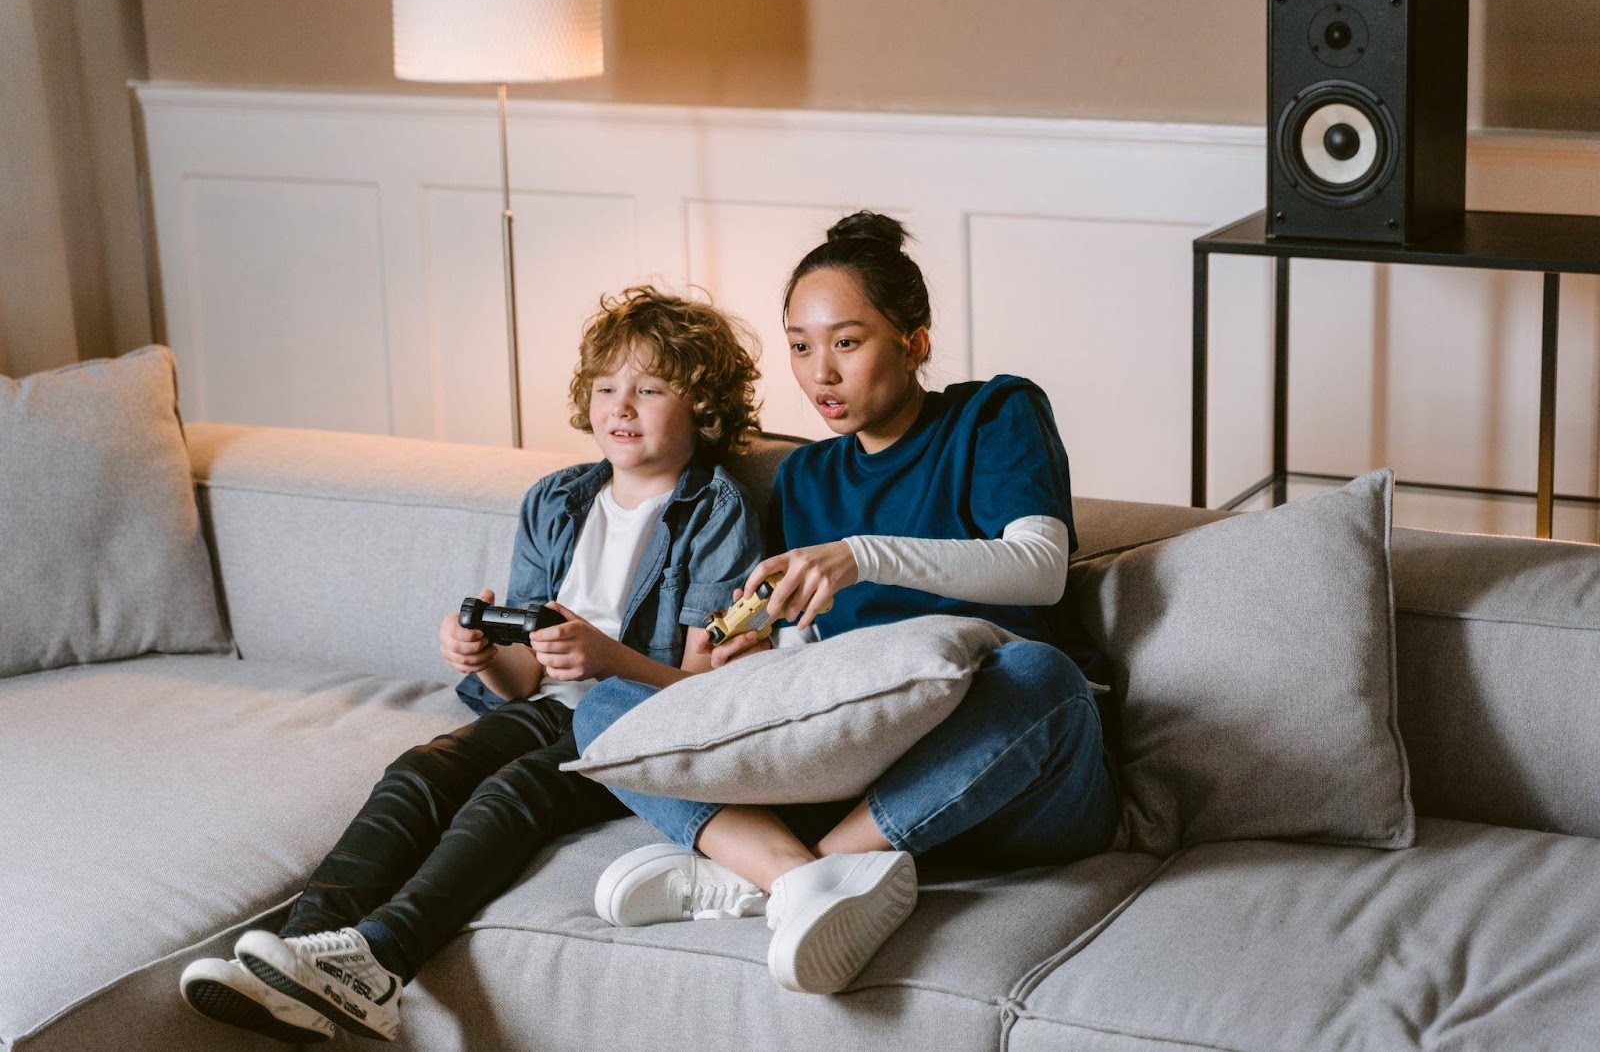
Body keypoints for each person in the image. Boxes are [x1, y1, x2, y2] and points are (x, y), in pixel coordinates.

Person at [178, 286, 766, 1043]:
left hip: (633, 723)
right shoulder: (556, 501)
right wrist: (484, 654)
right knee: (420, 771)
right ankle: (298, 954)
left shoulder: (715, 510)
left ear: (704, 409)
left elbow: (702, 690)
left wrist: (605, 654)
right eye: (607, 387)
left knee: (513, 792)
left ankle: (379, 962)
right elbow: (521, 680)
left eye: (651, 390)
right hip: (545, 706)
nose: (623, 406)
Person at [571, 212, 1118, 996]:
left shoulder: (994, 415)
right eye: (800, 346)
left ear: (915, 341)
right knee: (603, 711)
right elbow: (814, 656)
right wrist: (751, 654)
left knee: (1041, 676)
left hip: (1016, 775)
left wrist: (863, 555)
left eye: (847, 342)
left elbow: (1040, 570)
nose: (819, 373)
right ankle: (804, 877)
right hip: (862, 769)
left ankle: (778, 878)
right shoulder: (804, 479)